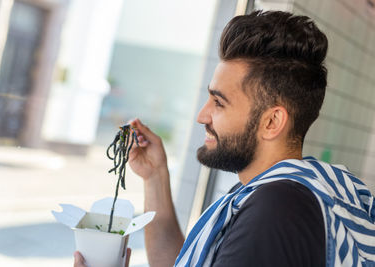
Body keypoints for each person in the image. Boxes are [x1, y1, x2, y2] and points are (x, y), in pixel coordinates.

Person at [74, 10, 375, 267]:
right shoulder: (292, 190)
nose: (202, 116)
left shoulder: (277, 211)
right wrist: (155, 177)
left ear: (272, 121)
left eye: (218, 103)